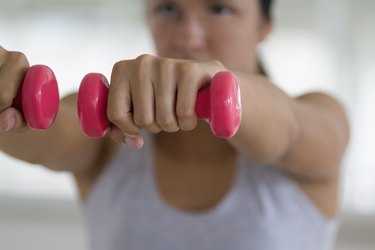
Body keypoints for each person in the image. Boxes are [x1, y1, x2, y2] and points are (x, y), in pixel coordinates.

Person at [0, 0, 350, 249]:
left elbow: (289, 129)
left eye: (219, 8)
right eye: (168, 9)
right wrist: (7, 98)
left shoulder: (319, 115)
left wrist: (223, 85)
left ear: (263, 26)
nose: (187, 38)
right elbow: (47, 133)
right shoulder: (106, 131)